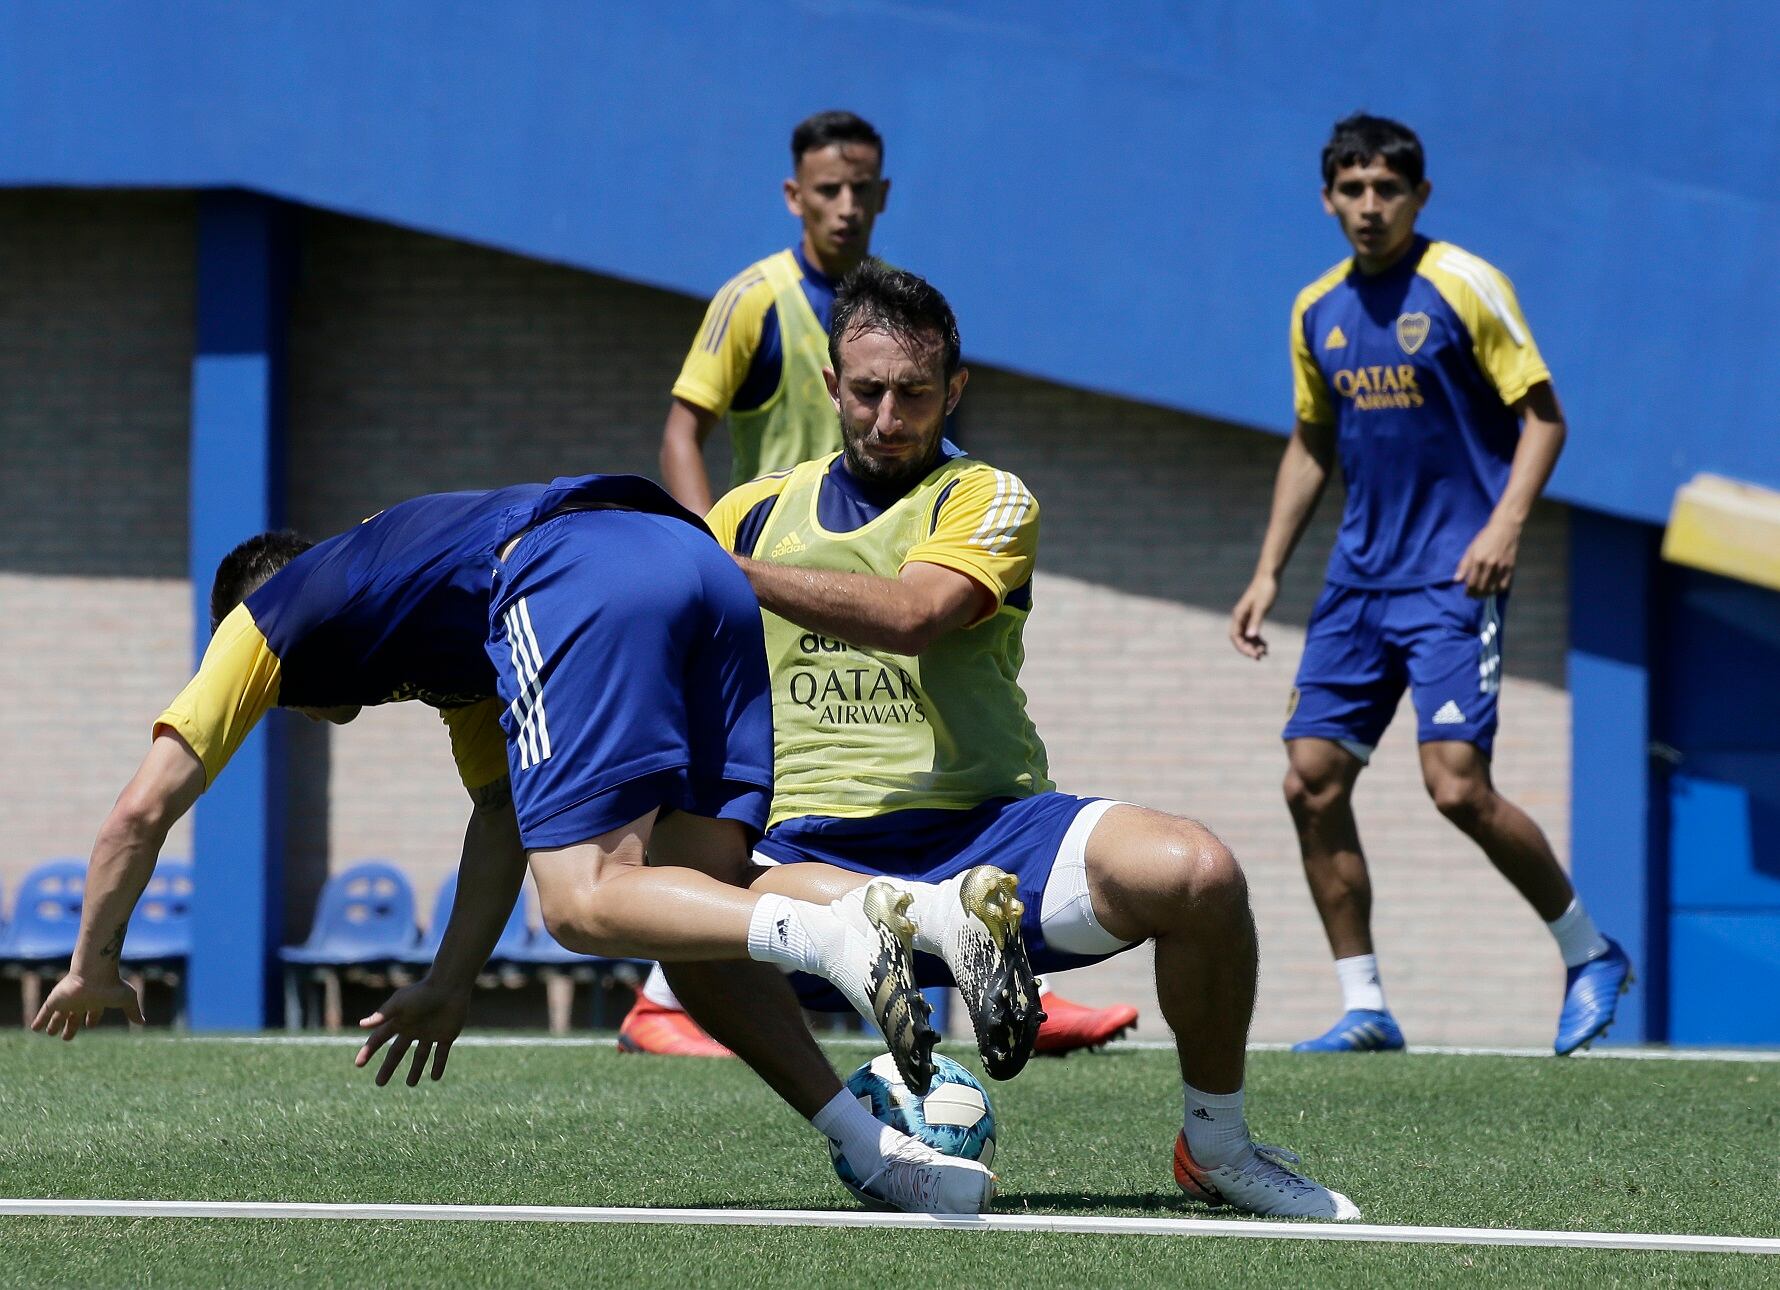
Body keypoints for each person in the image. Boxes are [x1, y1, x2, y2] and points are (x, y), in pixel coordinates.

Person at [29, 473, 1025, 1214]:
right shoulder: (443, 639)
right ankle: (889, 1111)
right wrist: (451, 981)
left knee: (584, 902)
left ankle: (840, 935)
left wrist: (91, 965)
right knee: (698, 908)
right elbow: (504, 813)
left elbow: (138, 812)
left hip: (573, 566)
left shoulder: (264, 624)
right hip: (697, 566)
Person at [704, 261, 1359, 1219]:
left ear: (954, 390)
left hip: (990, 844)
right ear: (830, 387)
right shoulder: (752, 512)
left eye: (915, 394)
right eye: (869, 391)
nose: (889, 417)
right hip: (807, 846)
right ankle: (869, 1143)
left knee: (1200, 875)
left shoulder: (986, 497)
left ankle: (1217, 1148)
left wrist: (732, 574)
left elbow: (917, 613)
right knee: (683, 900)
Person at [639, 109, 1135, 1059]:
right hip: (777, 554)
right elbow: (679, 429)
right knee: (750, 802)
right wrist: (715, 562)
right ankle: (673, 989)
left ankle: (974, 971)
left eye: (863, 188)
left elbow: (917, 606)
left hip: (880, 552)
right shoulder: (756, 301)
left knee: (908, 764)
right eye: (828, 188)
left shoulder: (906, 330)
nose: (846, 204)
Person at [1228, 114, 1632, 1056]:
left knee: (1455, 788)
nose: (1370, 208)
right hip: (1358, 583)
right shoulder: (1314, 309)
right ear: (1329, 197)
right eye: (1353, 190)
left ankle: (1589, 953)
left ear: (1419, 196)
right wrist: (1265, 573)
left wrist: (1505, 525)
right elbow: (1312, 443)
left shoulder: (1464, 283)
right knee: (1310, 781)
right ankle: (1366, 1005)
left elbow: (1544, 419)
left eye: (1388, 190)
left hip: (1453, 575)